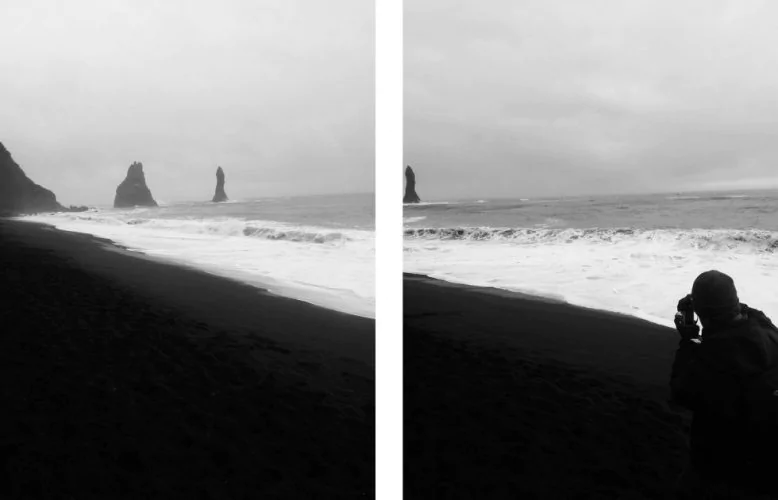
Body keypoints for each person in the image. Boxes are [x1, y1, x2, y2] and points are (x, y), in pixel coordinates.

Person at [670, 270, 778, 498]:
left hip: (722, 469)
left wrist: (688, 338)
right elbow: (745, 312)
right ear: (736, 302)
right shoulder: (768, 331)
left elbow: (680, 392)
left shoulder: (712, 357)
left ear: (701, 312)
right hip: (768, 463)